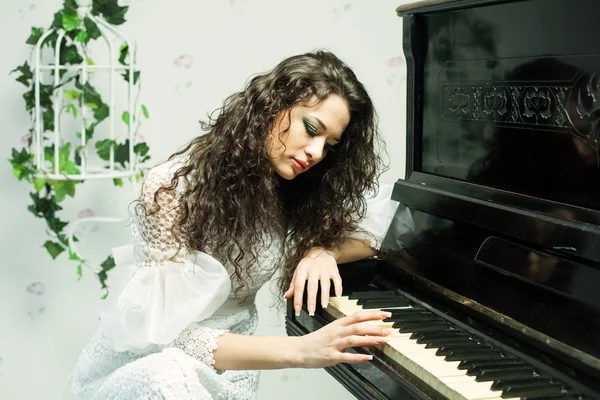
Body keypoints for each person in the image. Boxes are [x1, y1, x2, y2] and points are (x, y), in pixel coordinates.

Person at [71, 50, 400, 399]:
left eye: (329, 144)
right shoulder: (171, 187)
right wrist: (301, 351)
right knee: (167, 375)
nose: (317, 152)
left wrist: (323, 252)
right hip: (148, 369)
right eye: (311, 128)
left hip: (229, 375)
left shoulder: (292, 189)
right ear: (271, 107)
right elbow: (169, 335)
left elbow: (384, 230)